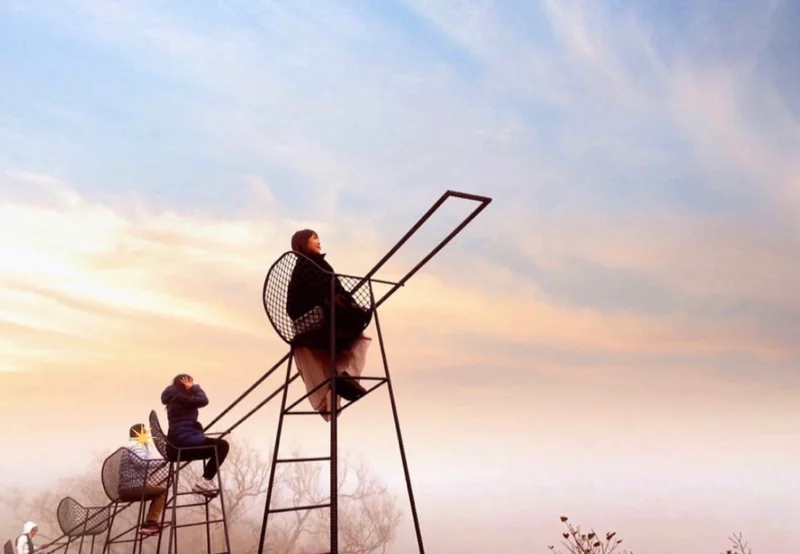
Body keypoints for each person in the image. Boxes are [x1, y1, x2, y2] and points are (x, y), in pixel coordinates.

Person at [286, 229, 372, 420]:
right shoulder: (316, 264)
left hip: (302, 327)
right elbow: (333, 292)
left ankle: (339, 384)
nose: (318, 241)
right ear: (303, 242)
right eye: (313, 238)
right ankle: (346, 377)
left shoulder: (298, 269)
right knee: (360, 337)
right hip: (319, 322)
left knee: (338, 347)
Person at [160, 374, 229, 495]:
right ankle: (205, 481)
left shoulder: (174, 399)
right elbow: (203, 400)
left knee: (216, 445)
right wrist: (194, 387)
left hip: (178, 443)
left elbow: (184, 422)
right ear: (185, 383)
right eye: (189, 383)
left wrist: (197, 428)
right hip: (183, 444)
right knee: (222, 446)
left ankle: (205, 482)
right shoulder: (180, 398)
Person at [119, 423, 168, 536]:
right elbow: (140, 463)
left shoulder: (131, 446)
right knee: (163, 491)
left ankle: (149, 524)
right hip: (132, 488)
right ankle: (151, 523)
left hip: (127, 487)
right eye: (145, 432)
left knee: (155, 488)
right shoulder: (136, 445)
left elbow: (139, 464)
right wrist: (162, 463)